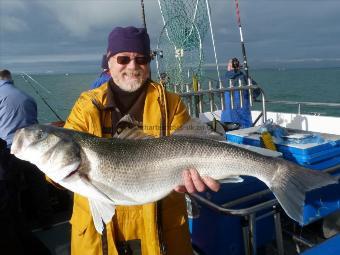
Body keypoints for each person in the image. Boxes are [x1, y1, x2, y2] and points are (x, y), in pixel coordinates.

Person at [64, 26, 219, 255]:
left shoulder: (172, 104)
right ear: (109, 62)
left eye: (141, 59)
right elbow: (58, 163)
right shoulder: (86, 106)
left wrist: (190, 181)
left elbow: (192, 149)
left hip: (160, 231)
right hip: (100, 237)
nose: (132, 66)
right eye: (123, 59)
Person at [0, 70, 51, 254]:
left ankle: (18, 225)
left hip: (9, 150)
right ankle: (46, 219)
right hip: (34, 149)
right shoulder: (28, 97)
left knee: (10, 188)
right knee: (37, 184)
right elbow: (35, 123)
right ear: (10, 79)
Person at [221, 58, 260, 128]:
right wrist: (251, 97)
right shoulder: (245, 78)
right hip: (243, 121)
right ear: (238, 66)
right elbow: (257, 90)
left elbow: (219, 95)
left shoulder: (222, 79)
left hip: (226, 121)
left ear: (229, 67)